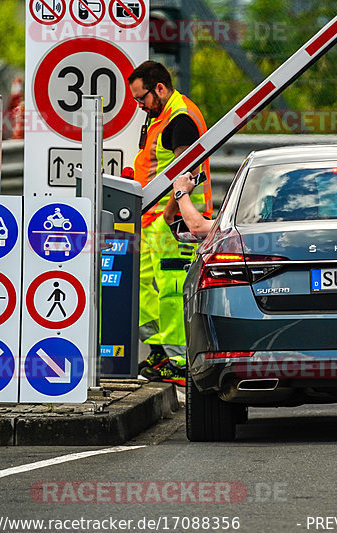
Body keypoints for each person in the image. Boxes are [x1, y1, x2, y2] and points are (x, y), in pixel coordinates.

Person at [128, 61, 213, 383]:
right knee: (143, 290)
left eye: (142, 98)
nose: (139, 105)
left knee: (172, 291)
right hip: (152, 220)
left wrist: (171, 212)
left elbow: (187, 169)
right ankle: (160, 351)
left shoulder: (180, 118)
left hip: (174, 223)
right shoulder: (159, 116)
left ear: (159, 88)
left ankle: (180, 363)